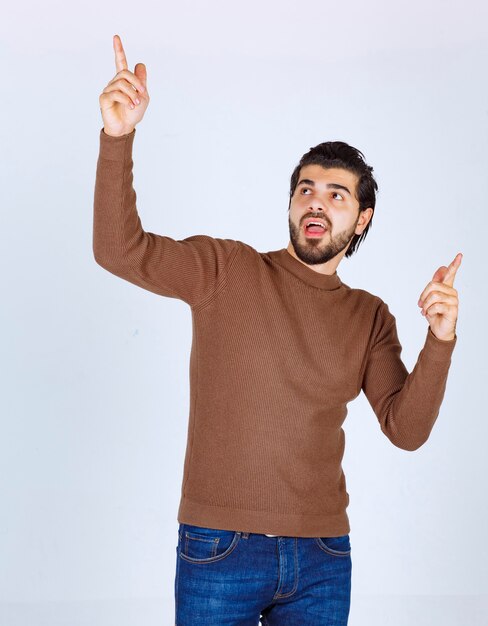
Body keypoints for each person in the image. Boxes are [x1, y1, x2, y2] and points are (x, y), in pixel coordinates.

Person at [94, 34, 461, 626]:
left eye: (336, 195)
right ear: (291, 203)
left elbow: (407, 429)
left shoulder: (369, 315)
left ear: (361, 218)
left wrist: (440, 342)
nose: (315, 202)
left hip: (322, 557)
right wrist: (118, 137)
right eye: (305, 189)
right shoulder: (226, 268)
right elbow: (118, 249)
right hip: (219, 546)